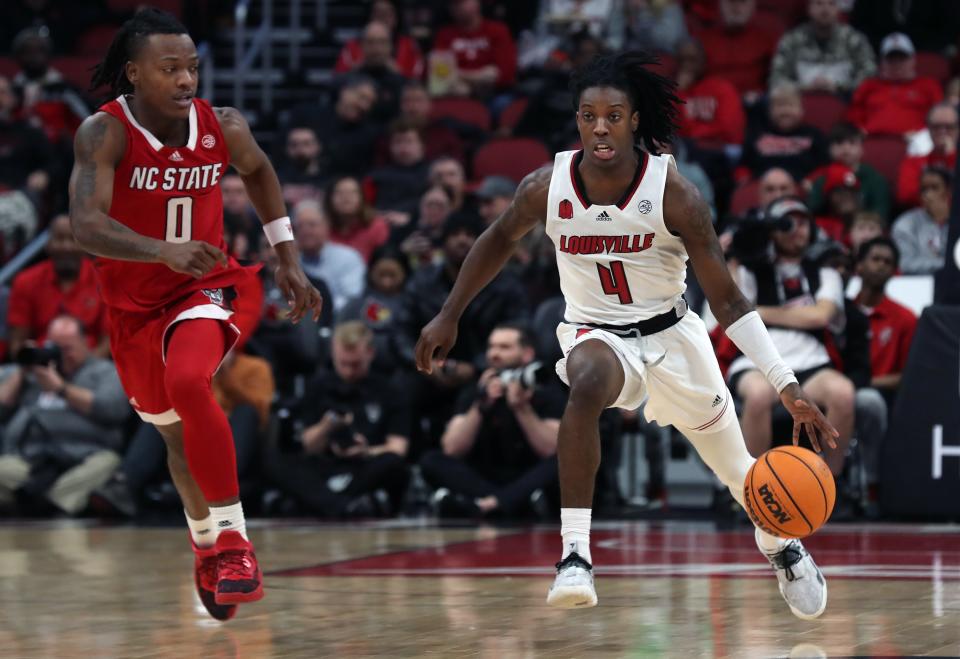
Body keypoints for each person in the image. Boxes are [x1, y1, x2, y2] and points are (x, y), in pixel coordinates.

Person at [415, 51, 836, 617]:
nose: (600, 128)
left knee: (742, 475)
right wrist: (450, 313)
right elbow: (496, 239)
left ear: (636, 120)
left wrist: (785, 383)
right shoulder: (548, 186)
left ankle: (778, 540)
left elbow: (728, 299)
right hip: (597, 334)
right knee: (585, 380)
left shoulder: (674, 194)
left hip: (673, 341)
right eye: (589, 116)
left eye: (613, 115)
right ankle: (575, 555)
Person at [68, 9, 322, 620]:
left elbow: (259, 171)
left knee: (189, 383)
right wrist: (162, 251)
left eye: (192, 68)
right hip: (133, 305)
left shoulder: (223, 126)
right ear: (134, 73)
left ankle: (235, 542)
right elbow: (85, 227)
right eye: (170, 68)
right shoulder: (104, 134)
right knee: (174, 436)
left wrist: (286, 256)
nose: (186, 80)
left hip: (204, 288)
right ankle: (206, 546)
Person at [729, 197, 853, 478]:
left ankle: (829, 484)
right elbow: (735, 311)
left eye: (802, 222)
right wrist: (736, 253)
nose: (796, 228)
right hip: (758, 360)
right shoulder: (750, 269)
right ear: (771, 230)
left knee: (843, 393)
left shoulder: (825, 272)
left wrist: (759, 311)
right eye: (787, 223)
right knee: (759, 395)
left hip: (811, 361)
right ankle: (750, 486)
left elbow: (820, 316)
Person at [264, 321, 411, 517]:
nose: (349, 371)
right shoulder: (318, 386)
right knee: (274, 461)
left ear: (370, 353)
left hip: (364, 466)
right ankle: (343, 506)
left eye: (356, 364)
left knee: (393, 464)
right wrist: (327, 426)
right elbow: (307, 445)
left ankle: (322, 504)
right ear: (333, 353)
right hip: (323, 465)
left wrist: (366, 450)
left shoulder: (390, 390)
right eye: (343, 363)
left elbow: (398, 448)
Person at [421, 322, 563, 518]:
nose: (494, 354)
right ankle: (505, 503)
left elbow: (550, 449)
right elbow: (452, 449)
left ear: (527, 353)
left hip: (526, 473)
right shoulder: (476, 389)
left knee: (564, 461)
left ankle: (485, 504)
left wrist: (522, 409)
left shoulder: (544, 389)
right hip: (484, 475)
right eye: (491, 347)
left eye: (504, 347)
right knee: (431, 460)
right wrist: (480, 406)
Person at [0, 315, 128, 515]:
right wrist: (23, 369)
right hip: (30, 460)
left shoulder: (106, 372)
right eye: (55, 347)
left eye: (67, 348)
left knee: (107, 463)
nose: (61, 355)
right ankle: (44, 500)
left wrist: (61, 389)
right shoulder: (33, 373)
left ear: (85, 343)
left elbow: (112, 408)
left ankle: (45, 502)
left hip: (84, 457)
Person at [7, 214, 110, 358]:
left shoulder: (105, 281)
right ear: (48, 245)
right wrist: (33, 363)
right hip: (40, 365)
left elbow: (108, 343)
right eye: (59, 239)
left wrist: (82, 366)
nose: (66, 247)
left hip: (90, 367)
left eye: (73, 239)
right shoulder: (25, 281)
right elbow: (17, 343)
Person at [769, 0, 876, 94]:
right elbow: (776, 80)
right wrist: (804, 88)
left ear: (838, 9)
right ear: (809, 8)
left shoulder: (854, 40)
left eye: (831, 3)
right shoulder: (792, 41)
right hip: (799, 105)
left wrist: (840, 87)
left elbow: (870, 78)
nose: (825, 9)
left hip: (846, 104)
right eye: (819, 3)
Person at [853, 237, 916, 396]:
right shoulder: (842, 313)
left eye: (888, 262)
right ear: (859, 266)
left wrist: (862, 383)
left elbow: (909, 376)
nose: (881, 265)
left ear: (894, 272)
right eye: (875, 259)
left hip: (884, 398)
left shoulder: (906, 318)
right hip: (838, 394)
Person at [847, 33, 943, 138]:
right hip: (873, 141)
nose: (897, 64)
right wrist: (860, 130)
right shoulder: (868, 86)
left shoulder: (928, 86)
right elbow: (853, 114)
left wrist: (922, 133)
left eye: (902, 59)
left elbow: (940, 116)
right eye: (891, 59)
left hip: (917, 141)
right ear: (882, 62)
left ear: (913, 60)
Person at [738, 83, 828, 182]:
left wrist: (812, 181)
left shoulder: (815, 135)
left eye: (790, 105)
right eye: (779, 105)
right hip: (762, 190)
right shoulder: (757, 135)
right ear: (770, 110)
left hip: (802, 191)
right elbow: (742, 167)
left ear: (801, 110)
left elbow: (825, 168)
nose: (785, 111)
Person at [806, 122, 891, 223]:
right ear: (829, 149)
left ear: (862, 148)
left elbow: (880, 214)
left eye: (852, 143)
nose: (846, 148)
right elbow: (812, 212)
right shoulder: (822, 179)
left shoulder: (875, 179)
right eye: (839, 143)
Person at [432, 0, 518, 98]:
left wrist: (457, 75)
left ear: (477, 3)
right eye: (452, 4)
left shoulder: (498, 30)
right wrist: (479, 77)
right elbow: (439, 76)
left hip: (496, 94)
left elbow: (506, 75)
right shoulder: (444, 35)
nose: (456, 7)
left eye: (461, 2)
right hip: (458, 94)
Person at [292, 199, 366, 313]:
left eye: (312, 225)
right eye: (300, 226)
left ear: (326, 226)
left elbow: (352, 299)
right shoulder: (291, 262)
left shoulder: (348, 258)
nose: (305, 231)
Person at [334, 0, 424, 79]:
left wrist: (396, 72)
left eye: (387, 14)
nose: (382, 19)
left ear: (396, 18)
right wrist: (361, 67)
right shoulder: (352, 46)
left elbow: (417, 82)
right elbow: (338, 79)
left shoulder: (409, 45)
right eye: (378, 14)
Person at [896, 103, 958, 209]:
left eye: (949, 127)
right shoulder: (913, 162)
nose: (943, 132)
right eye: (936, 127)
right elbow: (906, 195)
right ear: (928, 129)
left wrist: (951, 157)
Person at [891, 166, 952, 274]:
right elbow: (905, 264)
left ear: (948, 191)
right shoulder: (905, 224)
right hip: (917, 285)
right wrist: (948, 265)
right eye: (924, 189)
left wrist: (943, 221)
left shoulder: (956, 222)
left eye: (935, 188)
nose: (928, 194)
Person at [324, 175, 389, 262]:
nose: (346, 198)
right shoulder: (322, 228)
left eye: (352, 193)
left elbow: (383, 260)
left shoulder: (376, 226)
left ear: (362, 198)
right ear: (329, 199)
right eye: (339, 193)